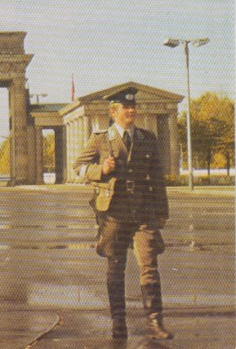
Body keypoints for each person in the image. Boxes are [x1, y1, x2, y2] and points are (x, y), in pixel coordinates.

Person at [73, 87, 174, 340]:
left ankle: (155, 320)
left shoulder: (147, 138)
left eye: (133, 107)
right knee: (116, 266)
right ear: (113, 111)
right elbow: (78, 168)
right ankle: (119, 321)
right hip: (114, 213)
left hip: (144, 211)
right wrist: (99, 170)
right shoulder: (100, 139)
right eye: (125, 107)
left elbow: (158, 179)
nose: (131, 111)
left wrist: (162, 213)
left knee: (149, 265)